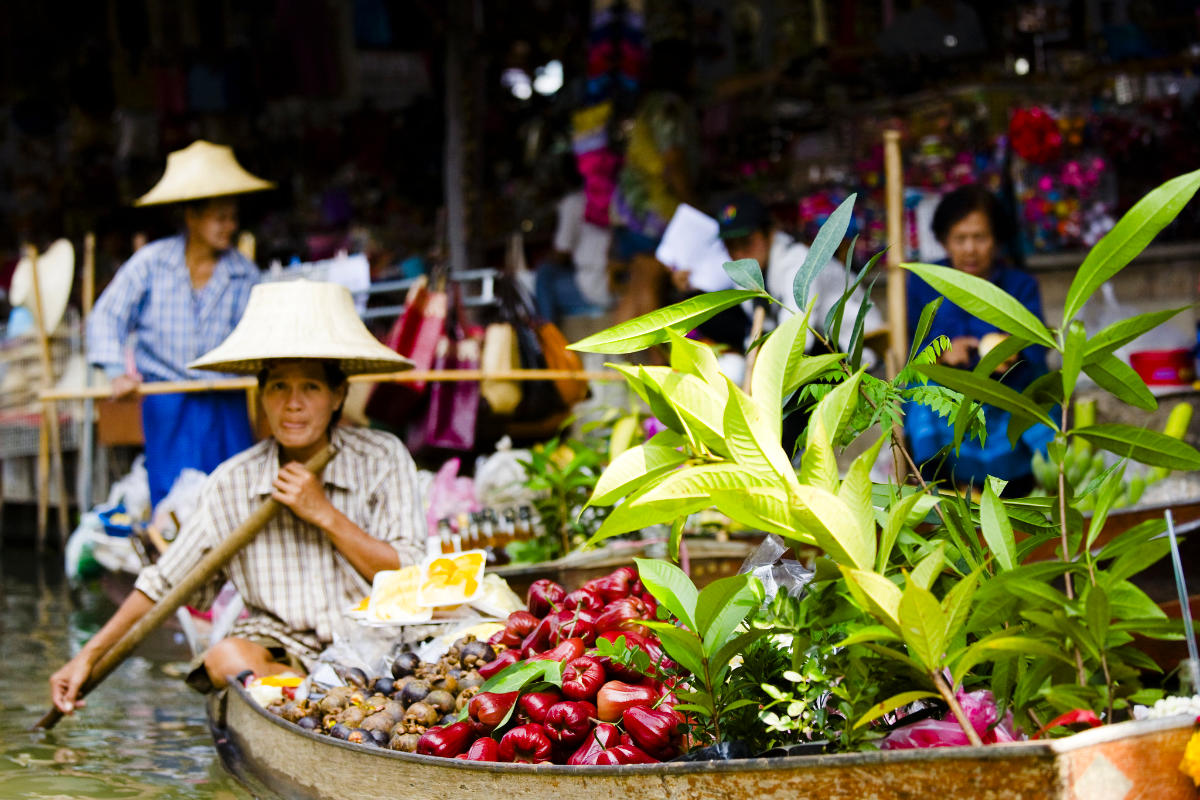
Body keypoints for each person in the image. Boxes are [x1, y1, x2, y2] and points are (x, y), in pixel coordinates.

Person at [50, 280, 424, 713]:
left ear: (338, 394)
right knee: (225, 657)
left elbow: (410, 577)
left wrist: (323, 513)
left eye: (312, 388)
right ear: (261, 395)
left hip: (381, 646)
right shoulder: (234, 482)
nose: (293, 404)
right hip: (286, 655)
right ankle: (312, 703)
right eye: (279, 387)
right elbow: (164, 585)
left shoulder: (383, 457)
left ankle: (333, 703)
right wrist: (86, 657)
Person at [87, 140, 274, 508]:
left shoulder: (243, 273)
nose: (230, 226)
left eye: (232, 217)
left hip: (225, 402)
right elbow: (107, 315)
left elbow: (261, 334)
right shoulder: (152, 263)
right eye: (220, 217)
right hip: (167, 401)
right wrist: (115, 371)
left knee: (233, 497)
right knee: (172, 504)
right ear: (192, 217)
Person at [905, 184, 1052, 493]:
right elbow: (913, 356)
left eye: (980, 237)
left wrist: (1012, 351)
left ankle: (1025, 484)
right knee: (921, 389)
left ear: (996, 241)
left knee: (1042, 389)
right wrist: (943, 353)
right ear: (944, 241)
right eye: (960, 238)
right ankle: (944, 484)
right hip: (950, 400)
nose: (970, 249)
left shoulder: (1020, 286)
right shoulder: (923, 285)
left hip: (1008, 393)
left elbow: (1039, 350)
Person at [717, 193, 884, 358]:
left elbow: (797, 336)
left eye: (746, 242)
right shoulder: (745, 272)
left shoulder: (799, 262)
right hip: (814, 347)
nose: (738, 252)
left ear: (769, 233)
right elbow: (763, 330)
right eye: (730, 246)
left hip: (853, 347)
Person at [534, 156, 611, 323]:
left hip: (595, 283)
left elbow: (562, 252)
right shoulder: (603, 196)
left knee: (544, 275)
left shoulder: (573, 202)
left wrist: (542, 261)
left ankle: (546, 336)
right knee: (547, 273)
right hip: (604, 275)